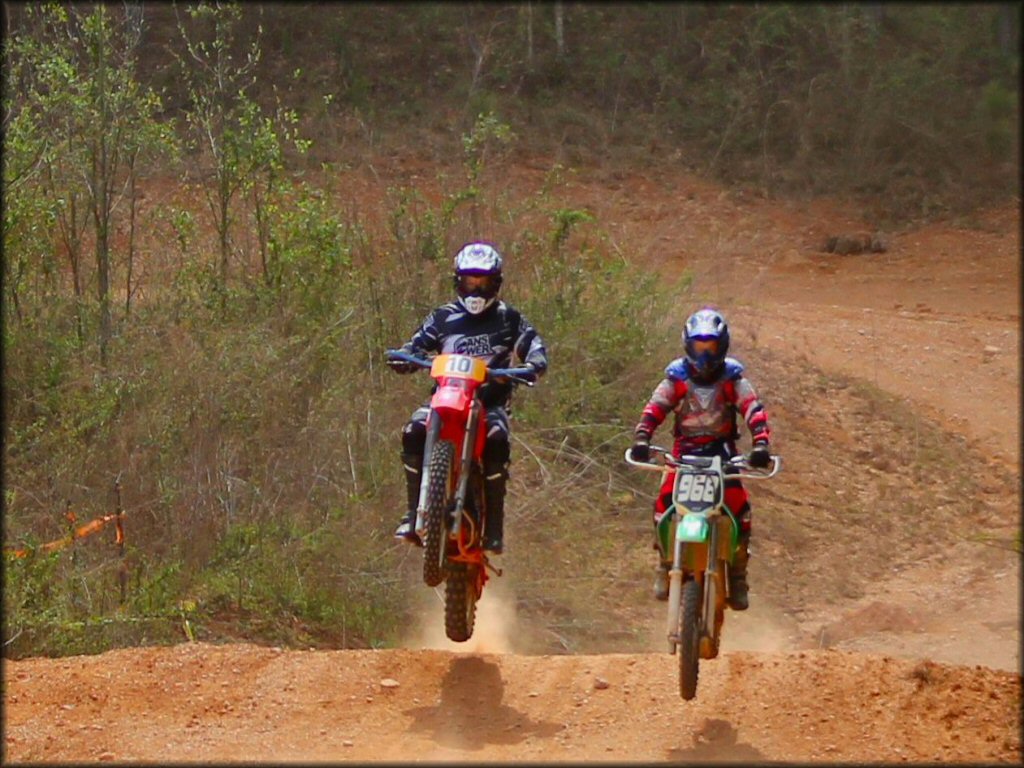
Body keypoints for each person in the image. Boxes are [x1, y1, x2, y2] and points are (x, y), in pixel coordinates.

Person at [387, 241, 548, 554]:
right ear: (458, 282)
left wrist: (534, 364)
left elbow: (533, 345)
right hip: (445, 398)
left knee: (497, 441)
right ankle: (411, 514)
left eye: (483, 282)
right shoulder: (442, 318)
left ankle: (495, 528)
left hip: (490, 405)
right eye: (469, 281)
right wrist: (405, 357)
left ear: (495, 283)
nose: (475, 289)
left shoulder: (509, 319)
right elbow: (416, 344)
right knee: (412, 432)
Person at [629, 307, 772, 610]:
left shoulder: (733, 378)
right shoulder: (676, 378)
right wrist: (642, 436)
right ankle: (665, 563)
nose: (705, 355)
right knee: (664, 503)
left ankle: (737, 574)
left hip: (722, 454)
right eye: (699, 347)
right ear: (688, 345)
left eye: (711, 347)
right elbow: (655, 408)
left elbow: (753, 410)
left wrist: (761, 445)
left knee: (739, 507)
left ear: (722, 346)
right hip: (684, 454)